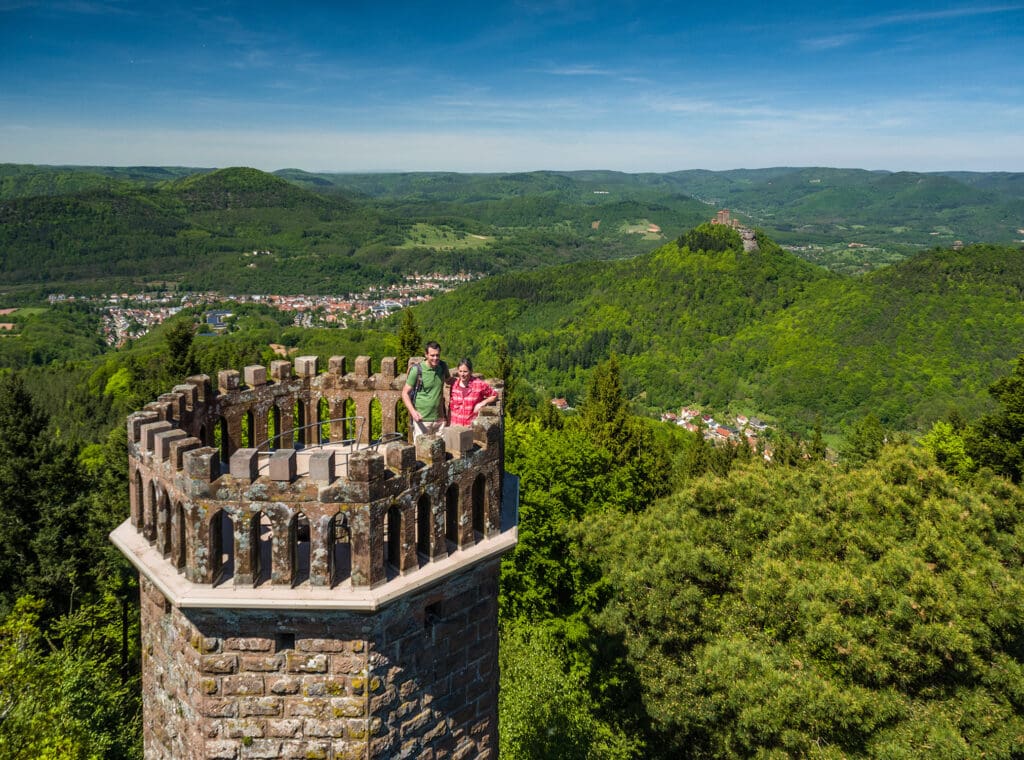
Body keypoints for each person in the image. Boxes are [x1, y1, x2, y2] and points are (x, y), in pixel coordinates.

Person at [403, 341, 450, 440]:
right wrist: (413, 412)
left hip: (439, 420)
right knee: (421, 453)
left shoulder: (442, 366)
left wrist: (471, 382)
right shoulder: (417, 370)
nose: (435, 358)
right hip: (422, 420)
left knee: (441, 452)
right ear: (426, 355)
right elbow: (405, 393)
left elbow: (449, 381)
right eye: (432, 355)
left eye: (437, 355)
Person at [448, 358, 498, 427]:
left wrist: (482, 403)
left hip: (470, 427)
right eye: (460, 371)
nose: (462, 374)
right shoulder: (454, 384)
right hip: (455, 427)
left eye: (465, 371)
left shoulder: (479, 384)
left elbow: (494, 395)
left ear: (471, 371)